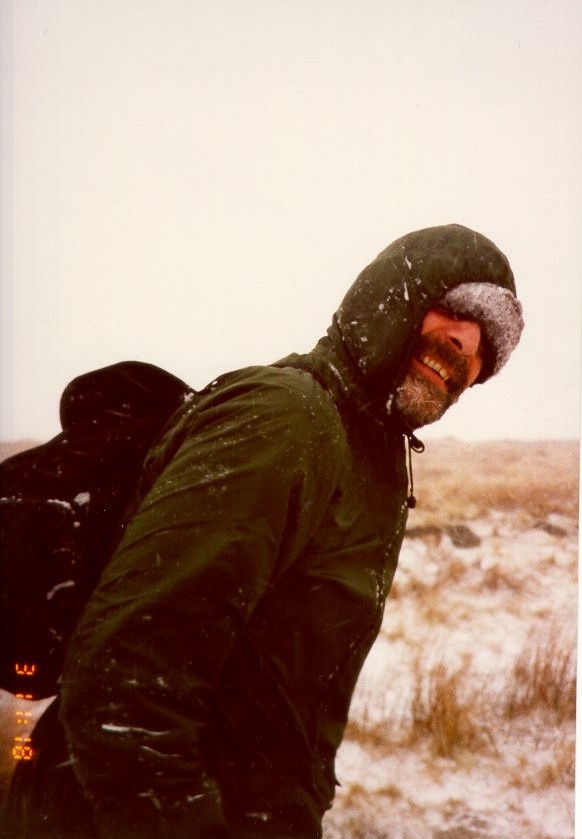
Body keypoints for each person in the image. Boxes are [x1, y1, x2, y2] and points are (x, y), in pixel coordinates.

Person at [2, 223, 524, 839]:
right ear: (394, 297)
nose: (466, 346)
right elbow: (124, 681)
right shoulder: (290, 419)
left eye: (487, 347)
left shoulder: (372, 468)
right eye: (457, 311)